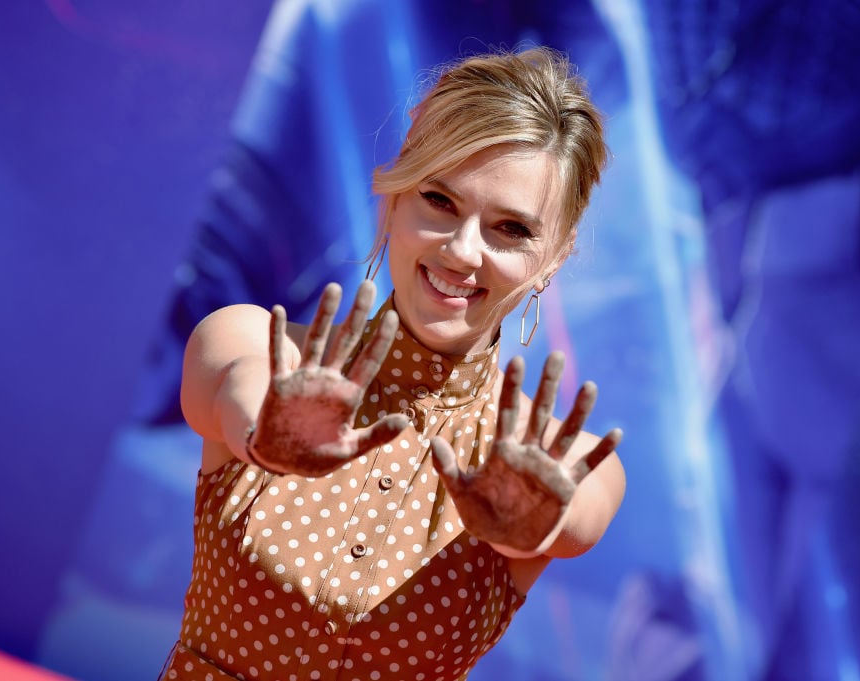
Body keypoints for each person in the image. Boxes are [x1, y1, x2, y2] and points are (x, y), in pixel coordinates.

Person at [159, 46, 626, 681]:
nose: (462, 250)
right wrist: (266, 432)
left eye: (510, 229)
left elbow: (576, 518)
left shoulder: (554, 456)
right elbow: (236, 389)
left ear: (555, 258)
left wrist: (530, 521)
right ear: (396, 197)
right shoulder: (259, 342)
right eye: (440, 200)